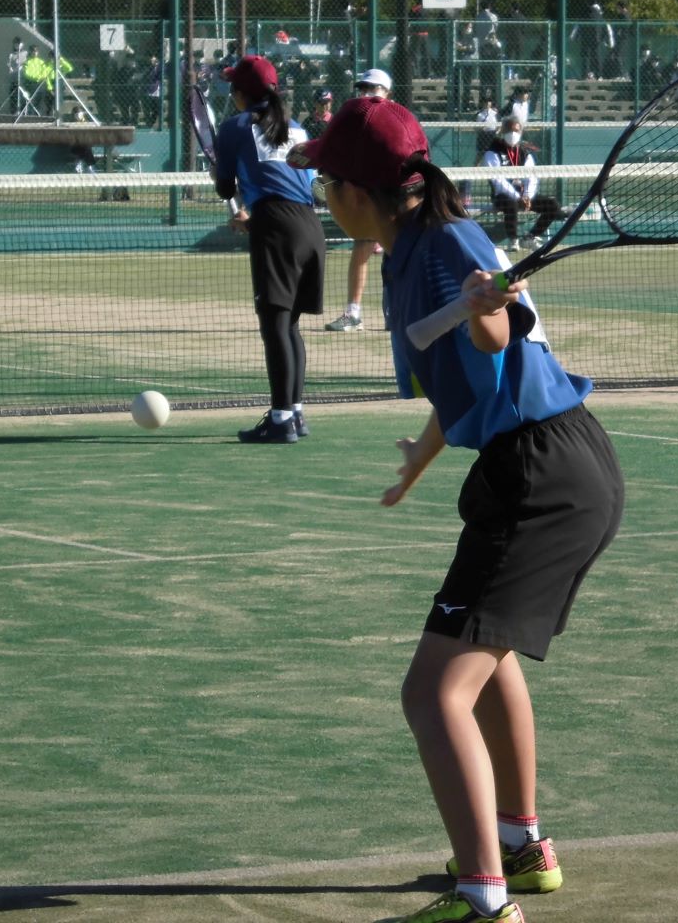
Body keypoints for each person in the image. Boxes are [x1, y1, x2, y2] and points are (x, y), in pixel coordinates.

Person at [288, 94, 622, 923]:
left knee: (433, 693)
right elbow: (466, 384)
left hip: (540, 478)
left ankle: (485, 902)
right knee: (489, 658)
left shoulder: (448, 246)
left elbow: (500, 339)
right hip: (551, 468)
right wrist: (421, 458)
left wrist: (487, 311)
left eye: (326, 178)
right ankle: (520, 846)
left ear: (359, 192)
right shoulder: (403, 252)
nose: (319, 193)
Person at [211, 55, 326, 444]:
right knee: (290, 325)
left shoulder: (234, 127)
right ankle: (293, 414)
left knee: (275, 325)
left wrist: (251, 214)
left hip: (276, 228)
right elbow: (301, 185)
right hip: (310, 227)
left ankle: (280, 420)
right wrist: (256, 217)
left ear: (241, 93)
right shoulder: (296, 128)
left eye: (232, 87)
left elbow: (225, 188)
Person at [324, 68, 395, 332]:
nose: (367, 93)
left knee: (403, 256)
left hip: (396, 201)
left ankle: (402, 311)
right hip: (368, 198)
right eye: (363, 88)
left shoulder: (399, 120)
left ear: (387, 93)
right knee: (361, 249)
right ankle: (353, 314)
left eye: (373, 88)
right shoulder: (352, 119)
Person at [483, 117, 568, 252]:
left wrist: (527, 196)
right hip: (502, 196)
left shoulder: (525, 152)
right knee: (511, 203)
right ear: (502, 131)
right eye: (509, 130)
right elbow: (497, 180)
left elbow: (531, 177)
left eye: (516, 130)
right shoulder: (492, 152)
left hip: (524, 196)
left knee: (552, 205)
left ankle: (529, 238)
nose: (513, 134)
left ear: (521, 132)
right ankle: (513, 239)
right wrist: (517, 197)